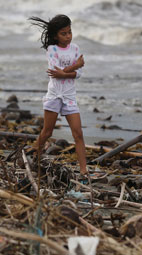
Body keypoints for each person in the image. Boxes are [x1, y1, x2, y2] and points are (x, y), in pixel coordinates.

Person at [29, 14, 90, 178]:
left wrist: (69, 72)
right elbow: (57, 73)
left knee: (78, 134)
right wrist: (75, 66)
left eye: (70, 32)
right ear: (55, 35)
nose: (68, 36)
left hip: (70, 97)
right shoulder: (52, 50)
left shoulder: (75, 48)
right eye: (64, 33)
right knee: (47, 132)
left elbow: (78, 74)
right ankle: (35, 157)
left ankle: (84, 170)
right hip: (55, 96)